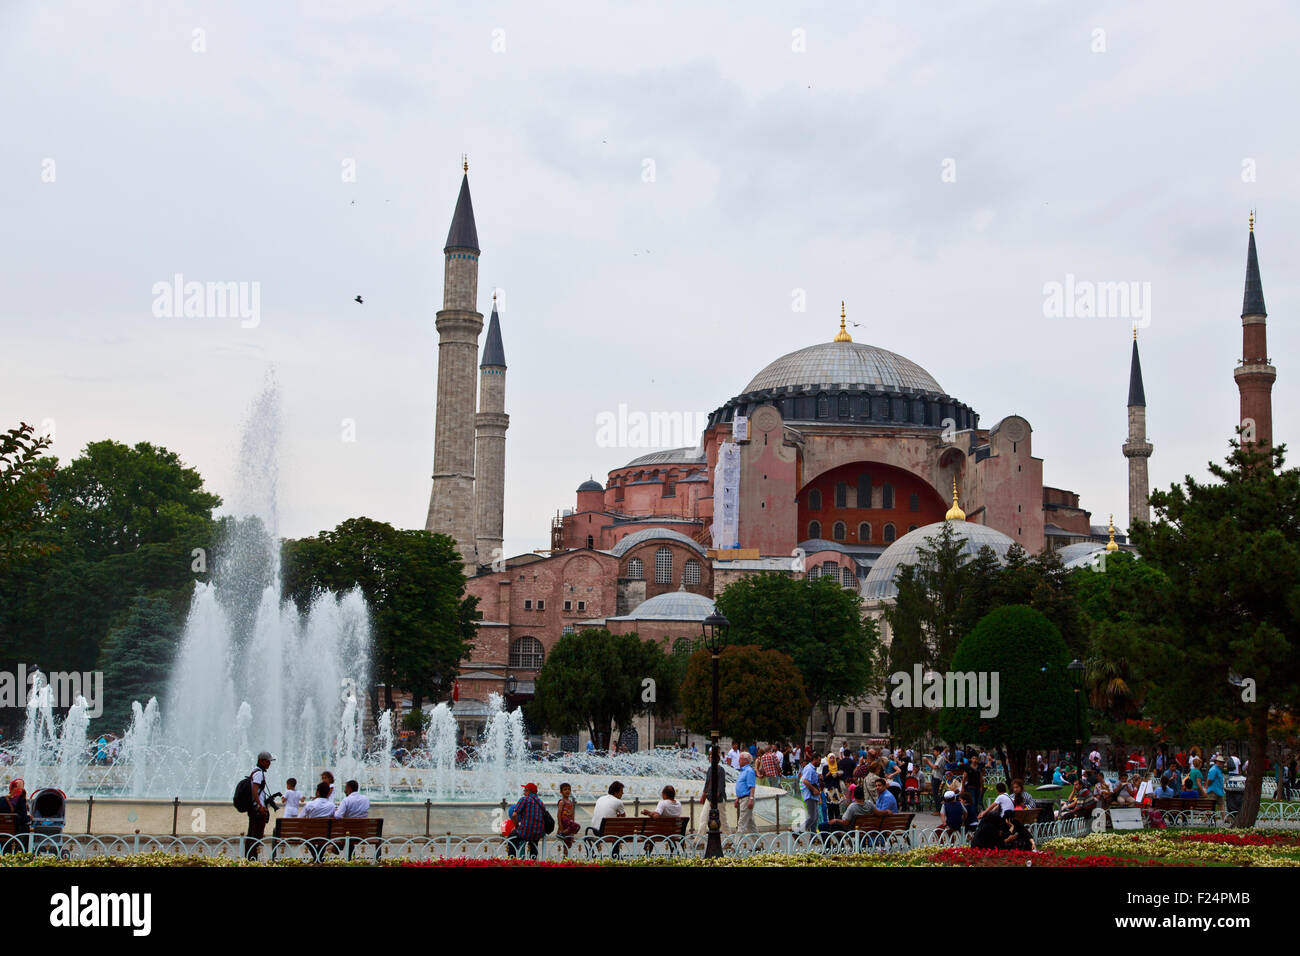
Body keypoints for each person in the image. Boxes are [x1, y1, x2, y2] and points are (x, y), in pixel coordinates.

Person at [244, 751, 274, 860]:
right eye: (267, 762)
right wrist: (260, 806)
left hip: (254, 808)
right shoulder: (258, 773)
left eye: (269, 762)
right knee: (256, 835)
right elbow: (254, 791)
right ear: (260, 761)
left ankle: (250, 857)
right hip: (257, 809)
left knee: (252, 833)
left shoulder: (255, 771)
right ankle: (252, 857)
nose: (269, 764)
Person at [508, 783, 547, 859]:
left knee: (511, 838)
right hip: (538, 833)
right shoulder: (540, 802)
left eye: (525, 790)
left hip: (526, 832)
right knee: (533, 843)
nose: (523, 792)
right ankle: (533, 860)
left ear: (529, 791)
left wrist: (517, 827)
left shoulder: (524, 799)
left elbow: (514, 815)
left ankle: (512, 859)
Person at [1, 779, 30, 853]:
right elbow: (24, 819)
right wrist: (30, 817)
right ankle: (23, 852)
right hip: (15, 832)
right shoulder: (21, 800)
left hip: (2, 831)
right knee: (26, 828)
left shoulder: (1, 800)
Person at [734, 753, 758, 834]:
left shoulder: (749, 771)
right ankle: (758, 844)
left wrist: (751, 799)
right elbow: (742, 786)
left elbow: (752, 786)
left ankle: (735, 845)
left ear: (746, 760)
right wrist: (737, 798)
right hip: (742, 798)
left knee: (742, 822)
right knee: (750, 824)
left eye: (740, 759)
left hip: (746, 798)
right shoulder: (743, 771)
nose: (738, 760)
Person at [799, 751, 821, 833]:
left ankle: (813, 836)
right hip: (809, 796)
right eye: (818, 760)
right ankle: (798, 831)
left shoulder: (813, 769)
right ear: (814, 759)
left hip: (813, 796)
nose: (819, 763)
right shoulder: (809, 768)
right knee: (812, 817)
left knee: (815, 817)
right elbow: (805, 781)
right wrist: (813, 789)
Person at [556, 782, 579, 853]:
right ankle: (561, 833)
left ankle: (565, 859)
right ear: (561, 792)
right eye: (565, 789)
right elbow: (559, 814)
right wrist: (560, 826)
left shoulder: (570, 802)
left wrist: (573, 823)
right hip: (564, 821)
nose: (567, 791)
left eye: (569, 789)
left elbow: (572, 815)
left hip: (569, 823)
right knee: (576, 826)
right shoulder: (562, 802)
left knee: (568, 844)